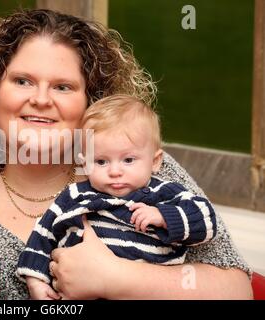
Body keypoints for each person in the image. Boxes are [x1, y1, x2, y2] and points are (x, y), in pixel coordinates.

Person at [0, 8, 252, 299]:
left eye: (63, 87)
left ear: (91, 102)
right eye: (22, 81)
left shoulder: (139, 170)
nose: (40, 99)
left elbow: (238, 291)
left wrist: (116, 277)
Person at [16, 94, 218, 299]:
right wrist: (36, 281)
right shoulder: (75, 196)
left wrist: (164, 216)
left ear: (155, 161)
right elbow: (43, 235)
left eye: (128, 160)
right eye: (101, 162)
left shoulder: (164, 194)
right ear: (84, 163)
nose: (115, 171)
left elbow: (207, 220)